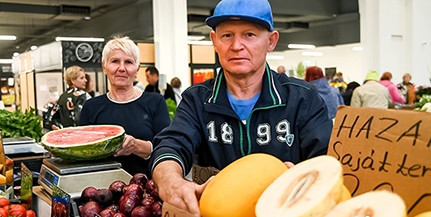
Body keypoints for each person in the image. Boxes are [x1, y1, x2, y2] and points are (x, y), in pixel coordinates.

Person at [149, 0, 332, 214]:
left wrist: (308, 175)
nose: (236, 46)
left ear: (271, 41)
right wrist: (171, 182)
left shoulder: (302, 98)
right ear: (214, 41)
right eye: (227, 35)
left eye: (249, 35)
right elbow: (171, 145)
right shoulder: (197, 100)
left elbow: (327, 158)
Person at [79, 36, 171, 178]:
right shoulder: (91, 107)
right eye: (115, 61)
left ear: (137, 68)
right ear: (104, 66)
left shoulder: (155, 102)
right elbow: (83, 153)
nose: (121, 68)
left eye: (128, 62)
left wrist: (136, 146)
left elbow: (166, 149)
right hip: (101, 192)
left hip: (146, 191)